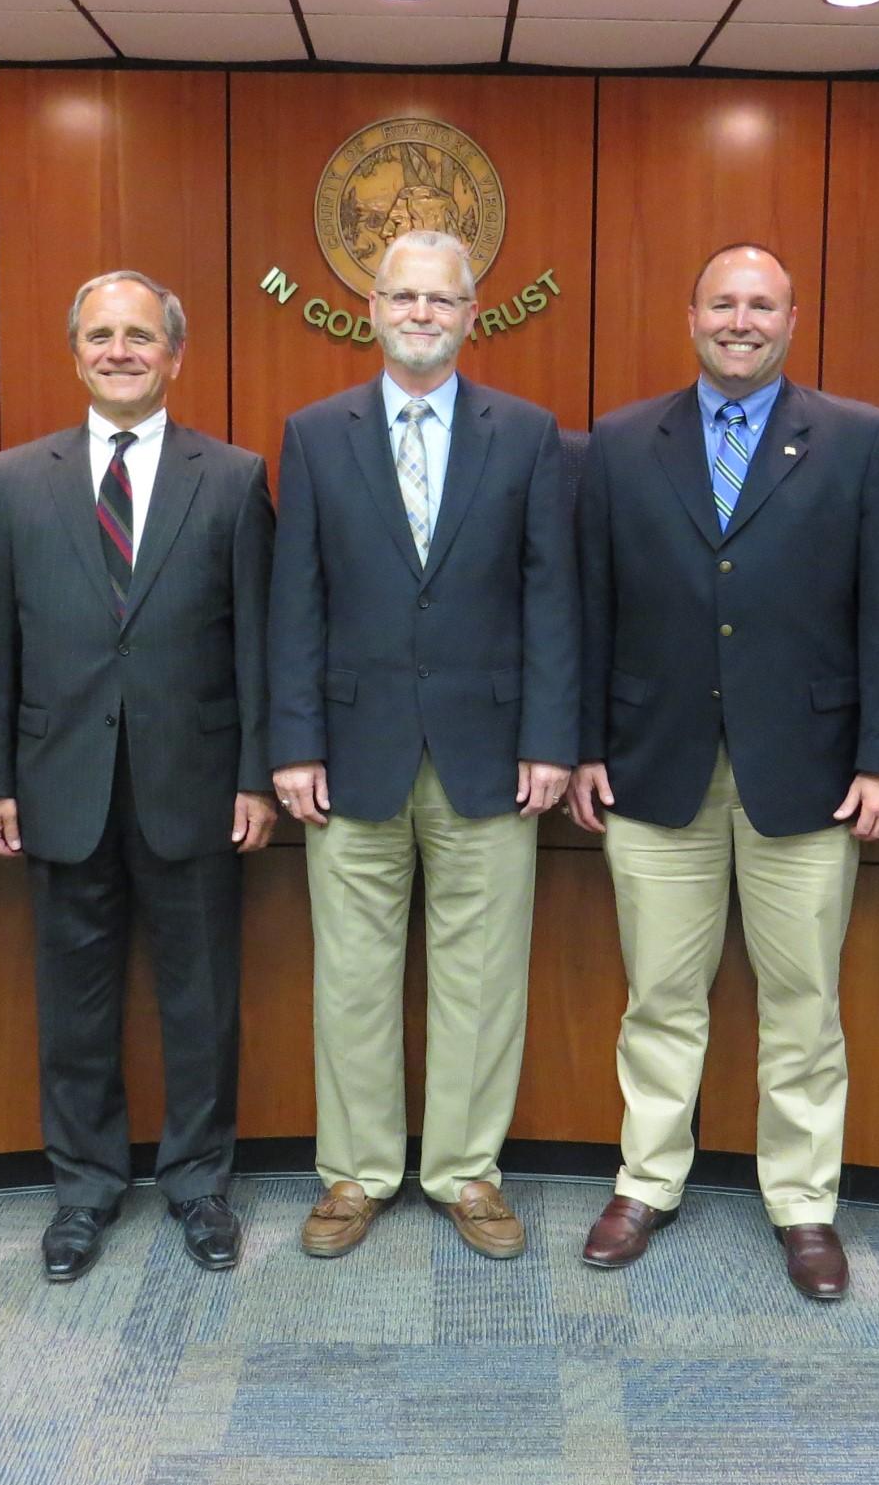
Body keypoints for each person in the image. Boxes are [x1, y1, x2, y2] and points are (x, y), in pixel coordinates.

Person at [569, 242, 879, 1301]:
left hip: (809, 771)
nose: (740, 321)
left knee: (803, 1001)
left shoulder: (856, 438)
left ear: (791, 319)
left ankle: (804, 1203)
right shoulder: (621, 441)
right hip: (653, 763)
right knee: (659, 995)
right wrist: (584, 743)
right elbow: (590, 606)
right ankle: (645, 1181)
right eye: (722, 303)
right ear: (690, 317)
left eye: (760, 305)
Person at [269, 229, 578, 1261]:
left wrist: (549, 737)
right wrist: (294, 743)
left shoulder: (526, 433)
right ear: (371, 309)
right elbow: (295, 599)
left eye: (439, 300)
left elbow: (550, 596)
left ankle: (464, 1169)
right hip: (348, 750)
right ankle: (355, 1172)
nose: (419, 313)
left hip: (491, 750)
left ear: (470, 315)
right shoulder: (314, 434)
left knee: (483, 975)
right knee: (352, 975)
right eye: (401, 296)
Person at [0, 271, 274, 1280]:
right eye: (100, 335)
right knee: (74, 1003)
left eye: (140, 335)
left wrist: (257, 775)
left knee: (201, 999)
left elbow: (257, 642)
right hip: (58, 780)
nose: (120, 351)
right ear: (75, 353)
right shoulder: (15, 479)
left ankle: (198, 1182)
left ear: (174, 354)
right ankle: (84, 1188)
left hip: (196, 779)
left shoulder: (233, 477)